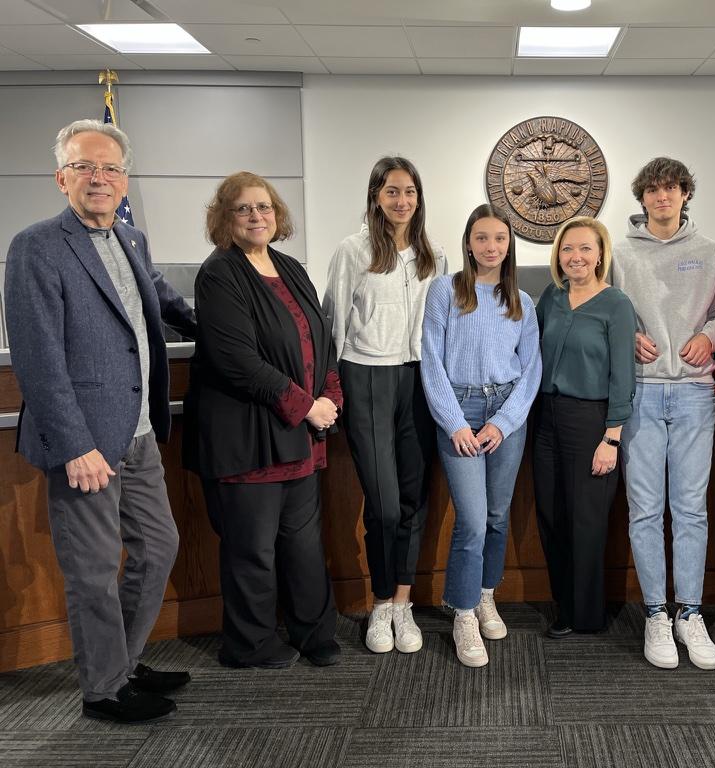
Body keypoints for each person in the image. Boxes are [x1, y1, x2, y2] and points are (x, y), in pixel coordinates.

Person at [5, 119, 196, 723]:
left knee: (159, 548)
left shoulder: (127, 238)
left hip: (139, 431)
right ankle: (103, 692)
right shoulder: (37, 246)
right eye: (86, 167)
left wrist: (235, 334)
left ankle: (124, 660)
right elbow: (38, 358)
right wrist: (74, 445)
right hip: (85, 442)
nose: (99, 178)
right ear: (61, 177)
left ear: (124, 179)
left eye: (110, 168)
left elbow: (165, 304)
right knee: (92, 572)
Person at [183, 172, 342, 670]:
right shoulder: (219, 274)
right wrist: (306, 406)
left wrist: (331, 394)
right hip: (247, 439)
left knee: (303, 545)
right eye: (243, 209)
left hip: (297, 436)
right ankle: (248, 645)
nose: (256, 217)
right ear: (224, 218)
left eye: (264, 207)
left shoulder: (291, 267)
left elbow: (322, 336)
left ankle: (314, 632)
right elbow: (237, 361)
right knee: (252, 549)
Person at [613, 157, 715, 671]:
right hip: (639, 392)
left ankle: (690, 613)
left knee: (689, 510)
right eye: (654, 190)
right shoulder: (618, 254)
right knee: (643, 510)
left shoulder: (712, 253)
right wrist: (626, 335)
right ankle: (656, 614)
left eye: (673, 189)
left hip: (692, 396)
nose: (663, 197)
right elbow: (605, 309)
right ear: (642, 198)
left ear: (686, 194)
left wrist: (710, 336)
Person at [322, 157, 446, 654]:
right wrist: (331, 387)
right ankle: (378, 604)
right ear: (376, 196)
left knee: (414, 499)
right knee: (386, 504)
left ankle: (402, 604)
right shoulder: (353, 251)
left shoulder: (430, 253)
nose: (402, 201)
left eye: (410, 192)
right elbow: (332, 322)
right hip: (366, 376)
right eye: (392, 191)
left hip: (418, 378)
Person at [420, 204, 541, 667]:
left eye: (500, 239)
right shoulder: (444, 292)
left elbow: (530, 371)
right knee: (470, 519)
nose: (492, 247)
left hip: (505, 412)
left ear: (509, 246)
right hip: (459, 408)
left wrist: (502, 423)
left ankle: (485, 593)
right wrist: (455, 424)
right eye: (482, 238)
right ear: (468, 242)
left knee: (496, 513)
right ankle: (464, 612)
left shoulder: (521, 302)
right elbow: (431, 364)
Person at [533, 216, 636, 637]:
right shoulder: (550, 298)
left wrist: (612, 437)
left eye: (585, 249)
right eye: (567, 249)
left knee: (587, 520)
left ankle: (587, 614)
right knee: (552, 514)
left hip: (591, 422)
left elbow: (622, 376)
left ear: (599, 255)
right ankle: (564, 607)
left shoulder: (616, 304)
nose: (575, 256)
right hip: (545, 418)